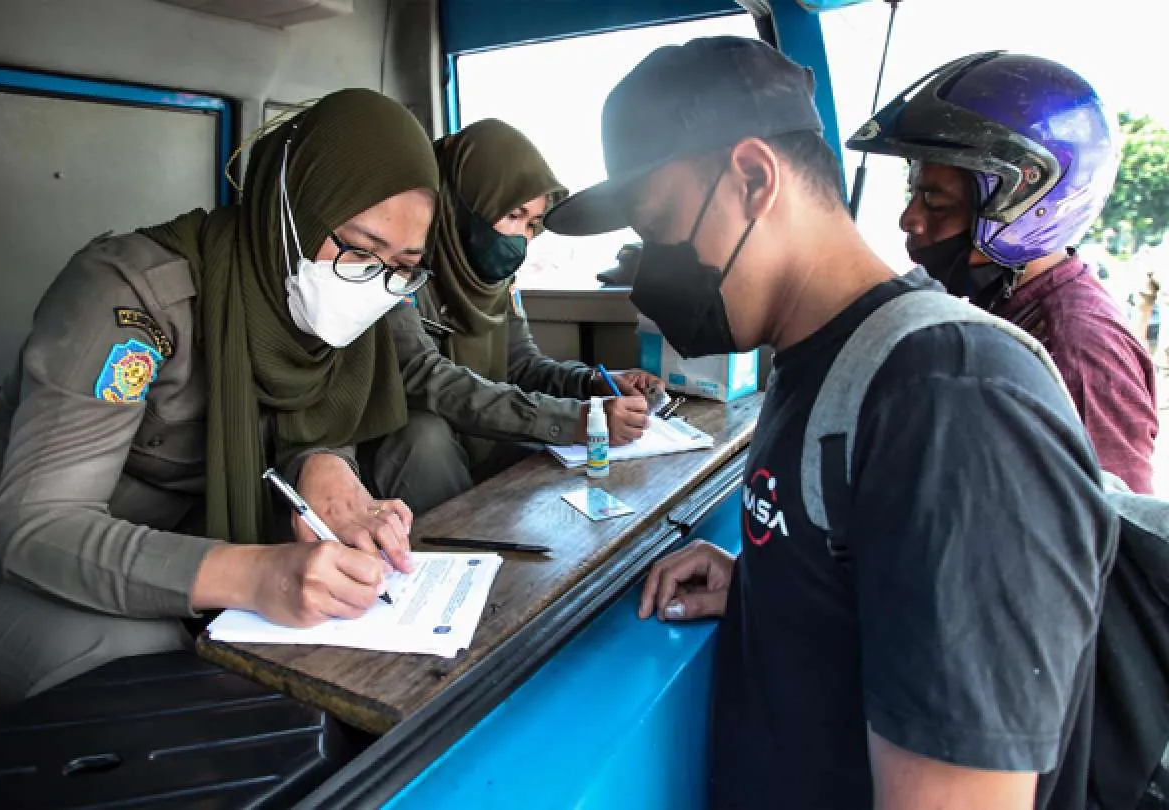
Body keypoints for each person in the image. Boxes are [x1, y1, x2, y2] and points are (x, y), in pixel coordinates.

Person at [544, 38, 1113, 809]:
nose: (651, 274)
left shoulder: (949, 399)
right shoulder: (820, 356)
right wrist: (771, 586)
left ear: (752, 177)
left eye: (660, 224)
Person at [0, 89, 439, 707]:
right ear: (289, 211)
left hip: (177, 535)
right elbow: (39, 527)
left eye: (403, 265)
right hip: (4, 555)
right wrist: (255, 576)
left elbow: (314, 419)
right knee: (146, 667)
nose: (376, 282)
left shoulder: (317, 311)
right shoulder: (131, 297)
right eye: (359, 248)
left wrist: (324, 463)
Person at [845, 51, 1158, 494]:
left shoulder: (1081, 349)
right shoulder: (1006, 308)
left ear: (1024, 205)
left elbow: (1108, 537)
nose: (909, 219)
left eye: (935, 202)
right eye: (914, 194)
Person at [366, 118, 660, 515]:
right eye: (514, 215)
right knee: (423, 434)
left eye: (532, 224)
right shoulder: (397, 268)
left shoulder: (493, 279)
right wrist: (574, 420)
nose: (521, 239)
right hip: (415, 460)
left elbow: (522, 365)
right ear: (468, 201)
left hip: (478, 440)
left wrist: (591, 385)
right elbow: (427, 378)